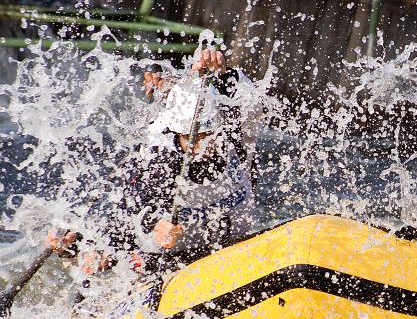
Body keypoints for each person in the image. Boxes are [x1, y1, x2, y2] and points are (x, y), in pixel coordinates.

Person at [44, 48, 258, 275]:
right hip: (176, 262)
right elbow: (123, 224)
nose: (203, 146)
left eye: (209, 135)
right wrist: (83, 250)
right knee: (103, 254)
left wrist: (222, 71)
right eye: (192, 138)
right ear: (177, 133)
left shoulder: (237, 139)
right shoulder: (158, 166)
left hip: (237, 246)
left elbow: (252, 100)